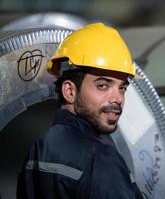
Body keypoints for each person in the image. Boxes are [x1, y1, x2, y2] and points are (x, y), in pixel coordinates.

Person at [17, 23, 144, 199]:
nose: (118, 99)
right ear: (70, 91)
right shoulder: (100, 158)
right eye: (103, 86)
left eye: (122, 88)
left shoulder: (40, 147)